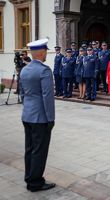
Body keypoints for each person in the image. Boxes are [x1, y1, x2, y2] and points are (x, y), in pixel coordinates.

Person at [19, 38, 55, 192]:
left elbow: (22, 93)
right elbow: (48, 97)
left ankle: (29, 177)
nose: (46, 53)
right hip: (40, 117)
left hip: (27, 115)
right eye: (46, 51)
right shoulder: (44, 70)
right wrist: (51, 118)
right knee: (39, 150)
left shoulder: (25, 69)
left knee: (30, 149)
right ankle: (35, 182)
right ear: (41, 52)